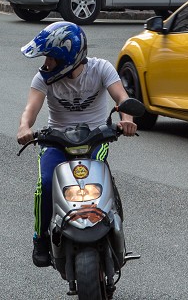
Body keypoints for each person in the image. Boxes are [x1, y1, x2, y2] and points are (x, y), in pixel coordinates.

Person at [16, 22, 137, 268]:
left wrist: (127, 120)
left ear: (67, 58)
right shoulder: (43, 78)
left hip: (96, 137)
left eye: (50, 57)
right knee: (46, 182)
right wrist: (25, 127)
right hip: (56, 140)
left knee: (99, 170)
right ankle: (40, 238)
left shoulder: (101, 69)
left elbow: (122, 99)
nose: (45, 63)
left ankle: (113, 228)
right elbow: (31, 109)